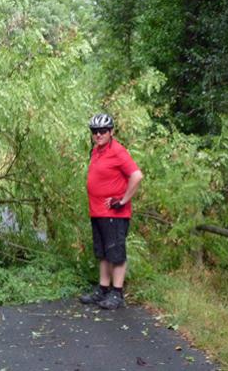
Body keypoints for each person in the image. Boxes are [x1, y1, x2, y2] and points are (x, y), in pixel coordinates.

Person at [79, 113, 143, 310]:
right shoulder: (97, 150)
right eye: (95, 131)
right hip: (97, 211)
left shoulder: (118, 151)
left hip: (114, 214)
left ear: (111, 132)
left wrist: (123, 200)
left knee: (116, 253)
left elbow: (137, 176)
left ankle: (117, 293)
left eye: (103, 131)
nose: (98, 135)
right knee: (104, 253)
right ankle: (103, 290)